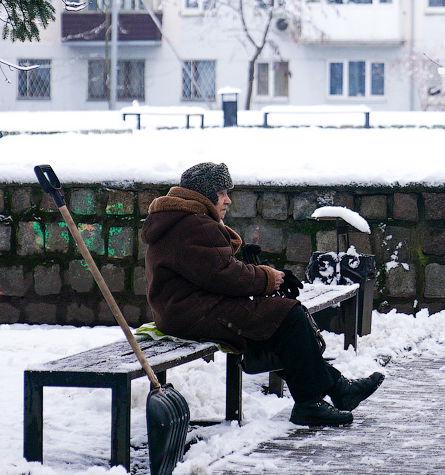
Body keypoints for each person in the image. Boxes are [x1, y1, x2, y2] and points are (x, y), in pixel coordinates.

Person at [140, 162, 384, 426]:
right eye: (222, 193)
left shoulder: (181, 219)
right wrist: (269, 279)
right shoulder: (193, 224)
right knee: (288, 315)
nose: (228, 200)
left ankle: (336, 389)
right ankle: (312, 402)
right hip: (193, 312)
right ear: (205, 193)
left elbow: (213, 271)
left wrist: (264, 276)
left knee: (275, 324)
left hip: (184, 309)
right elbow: (224, 275)